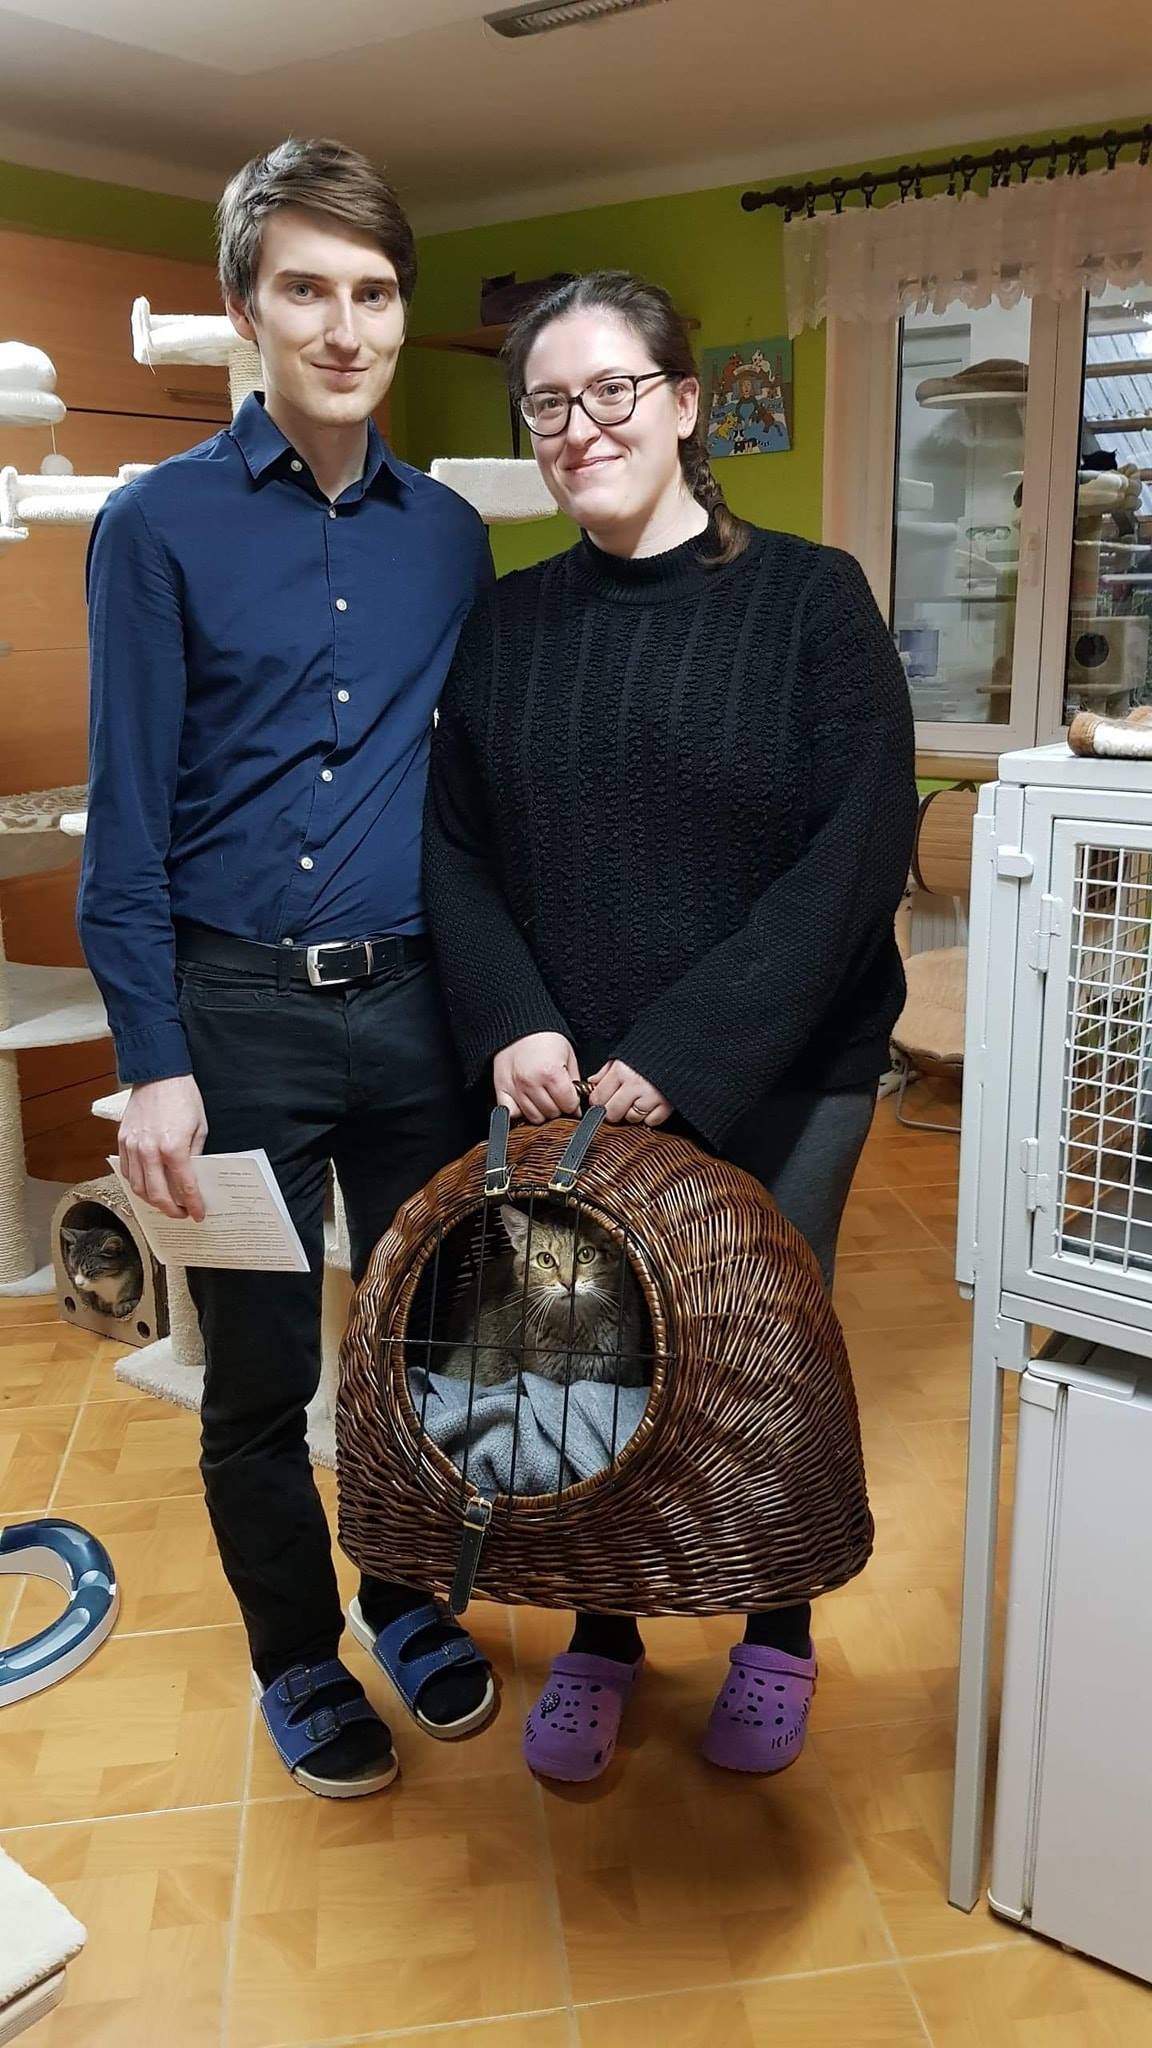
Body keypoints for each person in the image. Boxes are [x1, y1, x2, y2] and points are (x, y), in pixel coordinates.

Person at [424, 269, 918, 1783]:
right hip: (568, 1080)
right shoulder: (508, 622)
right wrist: (512, 1017)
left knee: (755, 1357)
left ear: (686, 404)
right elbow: (455, 850)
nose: (582, 428)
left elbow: (856, 852)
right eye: (549, 404)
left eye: (613, 391)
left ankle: (777, 1627)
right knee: (575, 1359)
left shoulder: (812, 600)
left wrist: (689, 1053)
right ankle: (603, 1629)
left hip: (787, 1067)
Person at [79, 139, 498, 1799]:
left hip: (416, 1017)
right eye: (305, 288)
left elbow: (474, 793)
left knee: (423, 1347)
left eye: (374, 292)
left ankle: (406, 1598)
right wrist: (152, 1058)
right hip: (235, 1017)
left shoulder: (450, 538)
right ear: (244, 307)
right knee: (259, 1374)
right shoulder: (153, 526)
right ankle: (296, 1653)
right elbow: (127, 823)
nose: (344, 326)